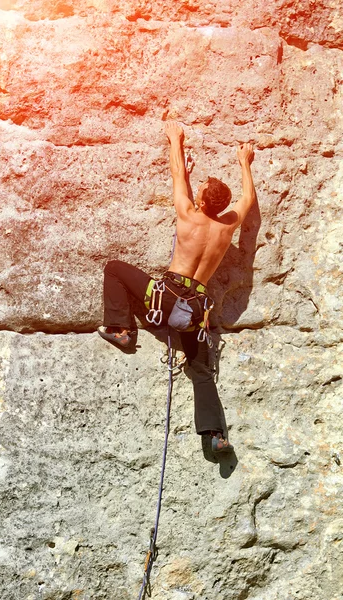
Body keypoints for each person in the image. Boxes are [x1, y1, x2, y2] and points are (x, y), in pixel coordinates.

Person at [99, 121, 256, 452]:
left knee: (114, 269)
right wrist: (244, 162)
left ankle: (121, 331)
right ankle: (215, 436)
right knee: (200, 369)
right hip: (195, 310)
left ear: (200, 198)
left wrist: (176, 139)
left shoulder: (188, 214)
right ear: (223, 208)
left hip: (163, 299)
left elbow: (175, 178)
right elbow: (248, 200)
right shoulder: (226, 227)